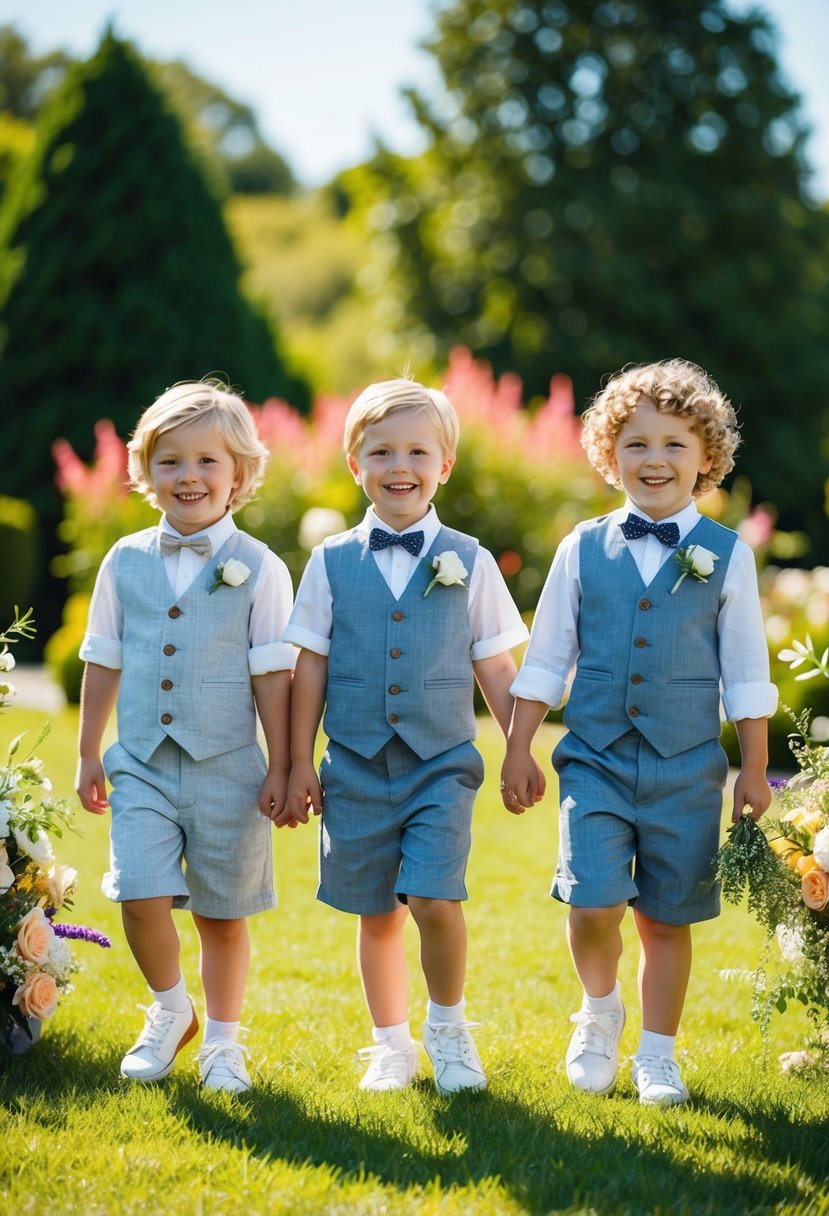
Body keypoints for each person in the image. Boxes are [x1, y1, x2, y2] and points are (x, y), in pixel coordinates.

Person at [501, 358, 777, 1106]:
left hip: (686, 769)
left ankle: (657, 1053)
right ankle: (597, 1013)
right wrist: (519, 745)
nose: (654, 460)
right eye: (636, 444)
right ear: (608, 455)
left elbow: (746, 674)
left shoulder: (727, 557)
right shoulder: (581, 548)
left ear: (706, 459)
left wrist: (750, 770)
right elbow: (548, 655)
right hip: (591, 760)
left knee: (664, 919)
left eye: (674, 445)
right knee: (590, 902)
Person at [281, 378, 529, 1094]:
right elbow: (309, 668)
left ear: (443, 465)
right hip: (353, 766)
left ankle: (448, 1030)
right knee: (376, 911)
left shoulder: (470, 559)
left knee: (434, 898)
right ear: (354, 464)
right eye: (380, 451)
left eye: (417, 451)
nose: (400, 466)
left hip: (441, 762)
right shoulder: (329, 563)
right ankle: (390, 1044)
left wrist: (517, 747)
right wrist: (298, 760)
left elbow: (495, 664)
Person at [75, 380, 295, 1093]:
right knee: (137, 894)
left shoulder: (261, 567)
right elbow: (103, 657)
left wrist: (283, 765)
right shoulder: (124, 560)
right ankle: (172, 1009)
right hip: (139, 760)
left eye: (207, 461)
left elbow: (271, 677)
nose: (189, 476)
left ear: (239, 476)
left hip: (229, 766)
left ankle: (223, 1042)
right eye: (170, 461)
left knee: (222, 916)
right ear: (145, 471)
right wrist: (88, 751)